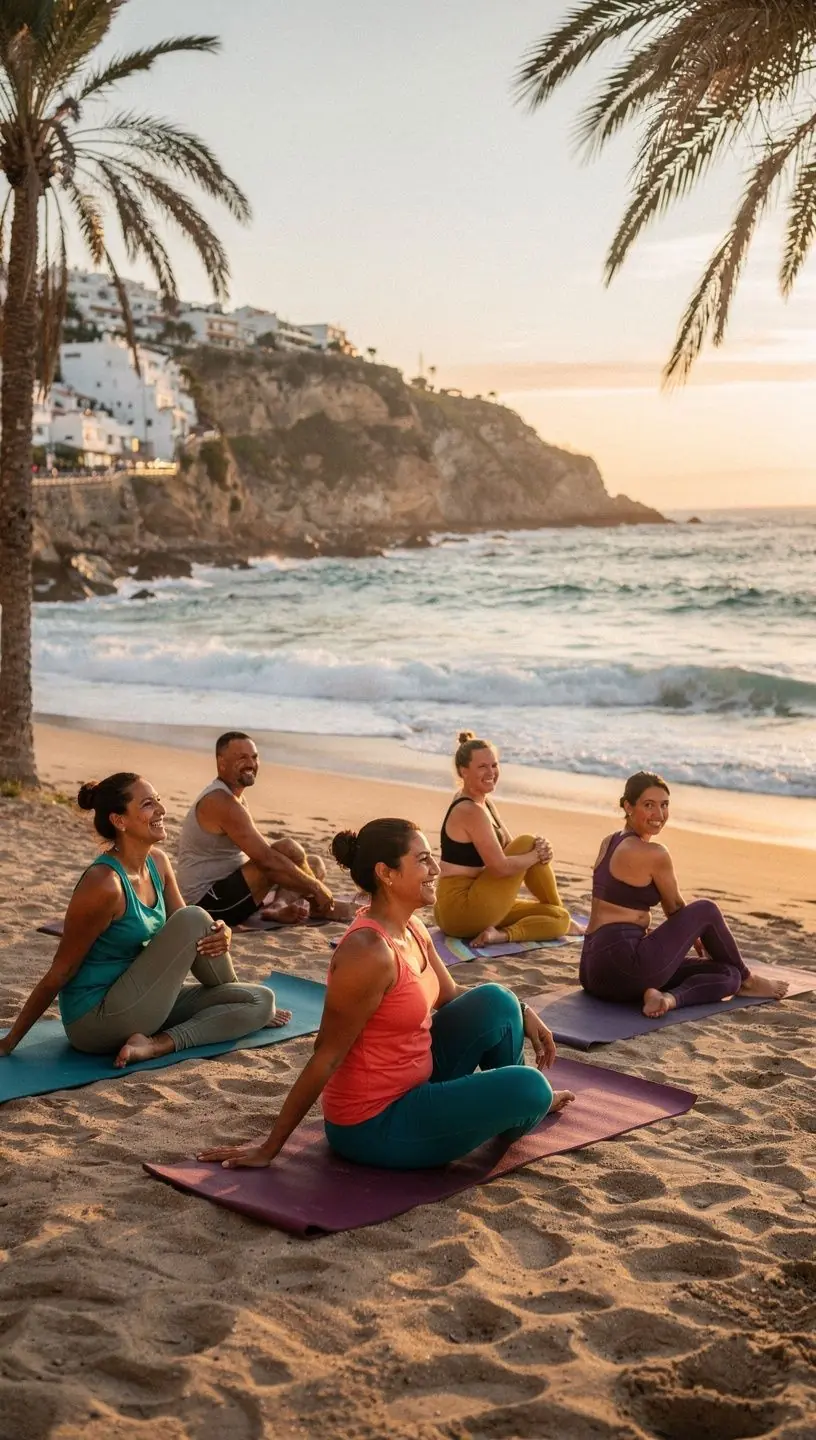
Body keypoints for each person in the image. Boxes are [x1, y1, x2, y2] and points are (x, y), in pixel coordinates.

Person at [197, 817, 575, 1172]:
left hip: (417, 1082)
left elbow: (452, 995)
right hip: (376, 1122)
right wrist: (269, 1147)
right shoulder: (368, 953)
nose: (436, 870)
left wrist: (523, 1010)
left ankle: (518, 1106)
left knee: (498, 999)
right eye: (423, 860)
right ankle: (523, 1101)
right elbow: (325, 1056)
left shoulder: (410, 926)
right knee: (530, 1086)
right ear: (387, 873)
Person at [0, 773, 287, 1068]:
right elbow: (61, 971)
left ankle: (156, 1044)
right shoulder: (104, 884)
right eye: (148, 804)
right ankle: (221, 1006)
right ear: (119, 820)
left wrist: (221, 933)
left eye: (159, 801)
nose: (161, 810)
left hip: (141, 999)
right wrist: (10, 1041)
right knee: (195, 918)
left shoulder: (158, 863)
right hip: (96, 1018)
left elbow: (194, 932)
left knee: (261, 1001)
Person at [581, 771, 789, 1018]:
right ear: (628, 806)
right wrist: (696, 932)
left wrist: (687, 935)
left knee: (727, 974)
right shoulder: (654, 853)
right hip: (625, 964)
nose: (659, 815)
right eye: (649, 805)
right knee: (706, 909)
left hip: (592, 971)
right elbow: (676, 908)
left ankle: (666, 1000)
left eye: (664, 805)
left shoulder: (610, 841)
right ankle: (749, 980)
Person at [176, 732, 350, 927]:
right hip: (207, 905)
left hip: (236, 890)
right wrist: (317, 888)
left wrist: (312, 885)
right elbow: (266, 860)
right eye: (242, 757)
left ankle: (277, 907)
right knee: (288, 850)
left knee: (313, 864)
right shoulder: (220, 801)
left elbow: (269, 859)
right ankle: (321, 906)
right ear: (221, 762)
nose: (251, 763)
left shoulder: (235, 798)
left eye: (254, 757)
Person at [433, 732, 579, 947]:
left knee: (559, 918)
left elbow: (509, 848)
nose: (491, 772)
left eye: (494, 765)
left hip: (477, 900)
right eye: (482, 767)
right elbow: (501, 867)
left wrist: (539, 851)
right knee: (529, 843)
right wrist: (536, 854)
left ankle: (498, 935)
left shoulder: (484, 803)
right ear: (464, 771)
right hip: (461, 909)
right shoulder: (468, 810)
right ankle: (562, 916)